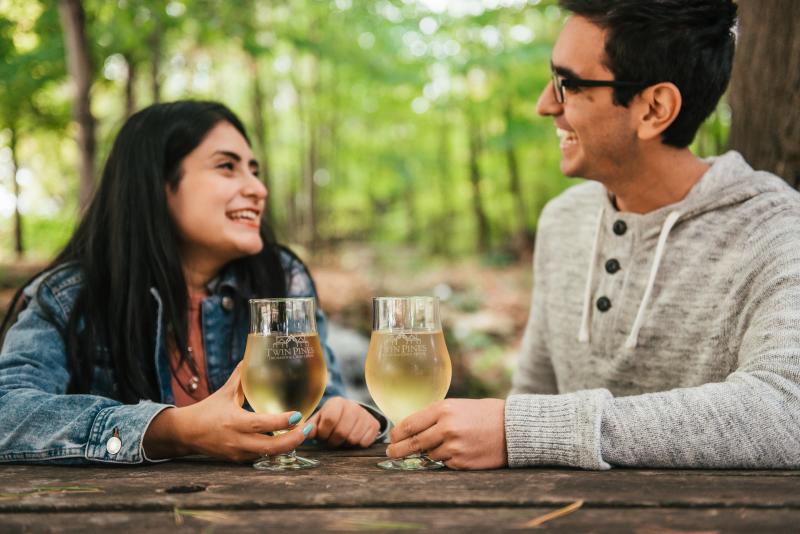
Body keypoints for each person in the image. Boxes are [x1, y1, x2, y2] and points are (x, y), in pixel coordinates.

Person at [386, 0, 800, 470]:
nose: (546, 105)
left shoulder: (776, 231)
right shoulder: (564, 221)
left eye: (570, 85)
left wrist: (525, 430)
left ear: (654, 108)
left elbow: (788, 410)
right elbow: (533, 395)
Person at [0, 101, 383, 465]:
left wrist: (346, 417)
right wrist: (169, 430)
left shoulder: (280, 277)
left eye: (254, 170)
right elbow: (7, 412)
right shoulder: (72, 295)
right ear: (157, 184)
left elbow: (320, 404)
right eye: (227, 167)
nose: (258, 189)